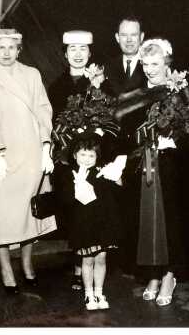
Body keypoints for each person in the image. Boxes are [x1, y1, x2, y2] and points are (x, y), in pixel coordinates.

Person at [0, 28, 56, 294]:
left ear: (19, 50)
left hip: (30, 153)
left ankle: (28, 264)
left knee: (28, 212)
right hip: (1, 156)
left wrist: (45, 146)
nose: (6, 53)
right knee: (1, 216)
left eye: (12, 47)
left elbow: (43, 110)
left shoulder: (32, 74)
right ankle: (7, 270)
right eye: (1, 47)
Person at [134, 38, 189, 306]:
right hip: (146, 166)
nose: (150, 69)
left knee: (171, 220)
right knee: (151, 221)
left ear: (167, 63)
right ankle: (154, 273)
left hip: (173, 167)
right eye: (145, 64)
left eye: (155, 64)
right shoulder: (140, 93)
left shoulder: (179, 90)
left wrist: (174, 141)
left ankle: (170, 274)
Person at [49, 30, 99, 290]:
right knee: (72, 214)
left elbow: (110, 119)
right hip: (67, 160)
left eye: (83, 49)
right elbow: (51, 122)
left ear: (90, 53)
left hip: (93, 159)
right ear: (65, 54)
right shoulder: (56, 86)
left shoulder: (100, 83)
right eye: (72, 49)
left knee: (91, 214)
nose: (78, 54)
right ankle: (78, 263)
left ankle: (87, 267)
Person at [54, 133, 120, 310]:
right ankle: (88, 294)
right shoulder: (70, 174)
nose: (86, 159)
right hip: (83, 225)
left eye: (91, 155)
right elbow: (65, 200)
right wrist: (77, 185)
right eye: (83, 154)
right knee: (87, 260)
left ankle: (99, 292)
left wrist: (117, 178)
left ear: (97, 157)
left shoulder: (101, 173)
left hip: (102, 224)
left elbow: (113, 195)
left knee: (101, 258)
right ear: (75, 155)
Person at [105, 16, 147, 279]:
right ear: (117, 38)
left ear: (142, 37)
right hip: (113, 148)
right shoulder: (106, 68)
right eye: (124, 35)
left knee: (139, 208)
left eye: (134, 35)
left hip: (141, 148)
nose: (129, 40)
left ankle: (139, 262)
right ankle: (118, 261)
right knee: (116, 208)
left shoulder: (153, 63)